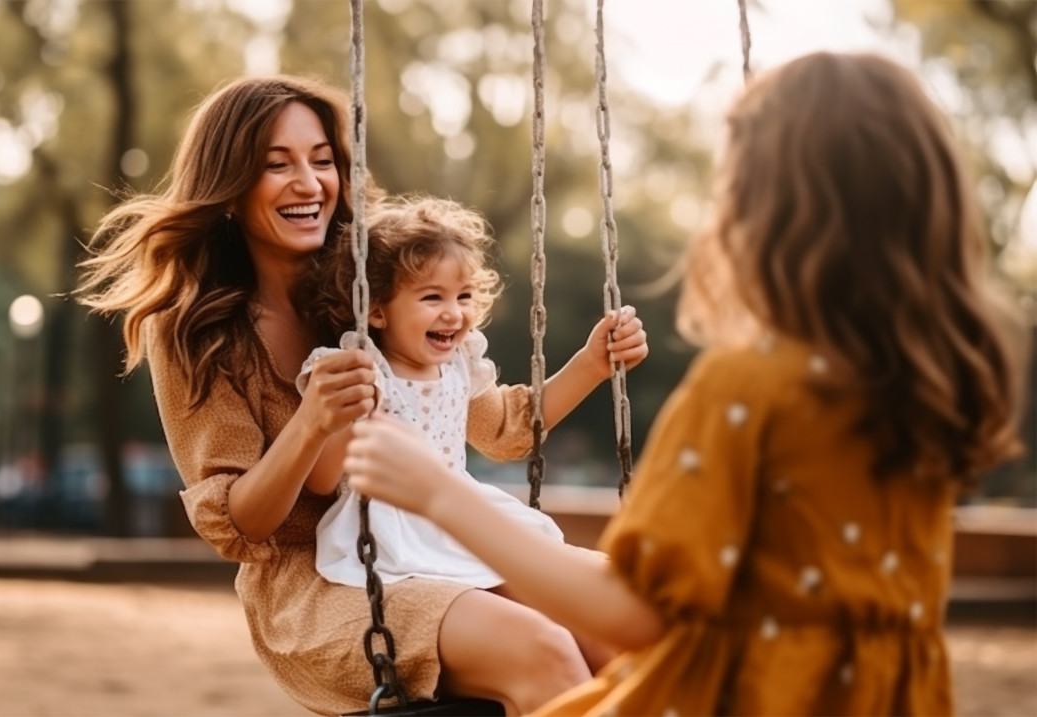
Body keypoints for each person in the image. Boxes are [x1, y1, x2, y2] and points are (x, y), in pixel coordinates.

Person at [342, 51, 1024, 716]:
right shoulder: (927, 391)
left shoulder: (748, 388)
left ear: (758, 210)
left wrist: (439, 495)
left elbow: (638, 612)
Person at [76, 75, 651, 716]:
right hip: (323, 579)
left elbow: (501, 427)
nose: (309, 183)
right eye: (277, 164)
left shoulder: (382, 287)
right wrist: (312, 424)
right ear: (230, 187)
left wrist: (592, 365)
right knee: (541, 650)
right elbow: (241, 528)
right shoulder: (198, 331)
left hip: (440, 542)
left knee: (623, 632)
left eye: (322, 160)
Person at [295, 193, 645, 617]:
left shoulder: (460, 364)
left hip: (462, 513)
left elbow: (512, 428)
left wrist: (592, 364)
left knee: (601, 582)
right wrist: (340, 417)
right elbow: (320, 481)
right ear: (377, 311)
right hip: (397, 531)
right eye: (432, 298)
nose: (453, 314)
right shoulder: (359, 371)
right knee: (547, 601)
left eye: (463, 296)